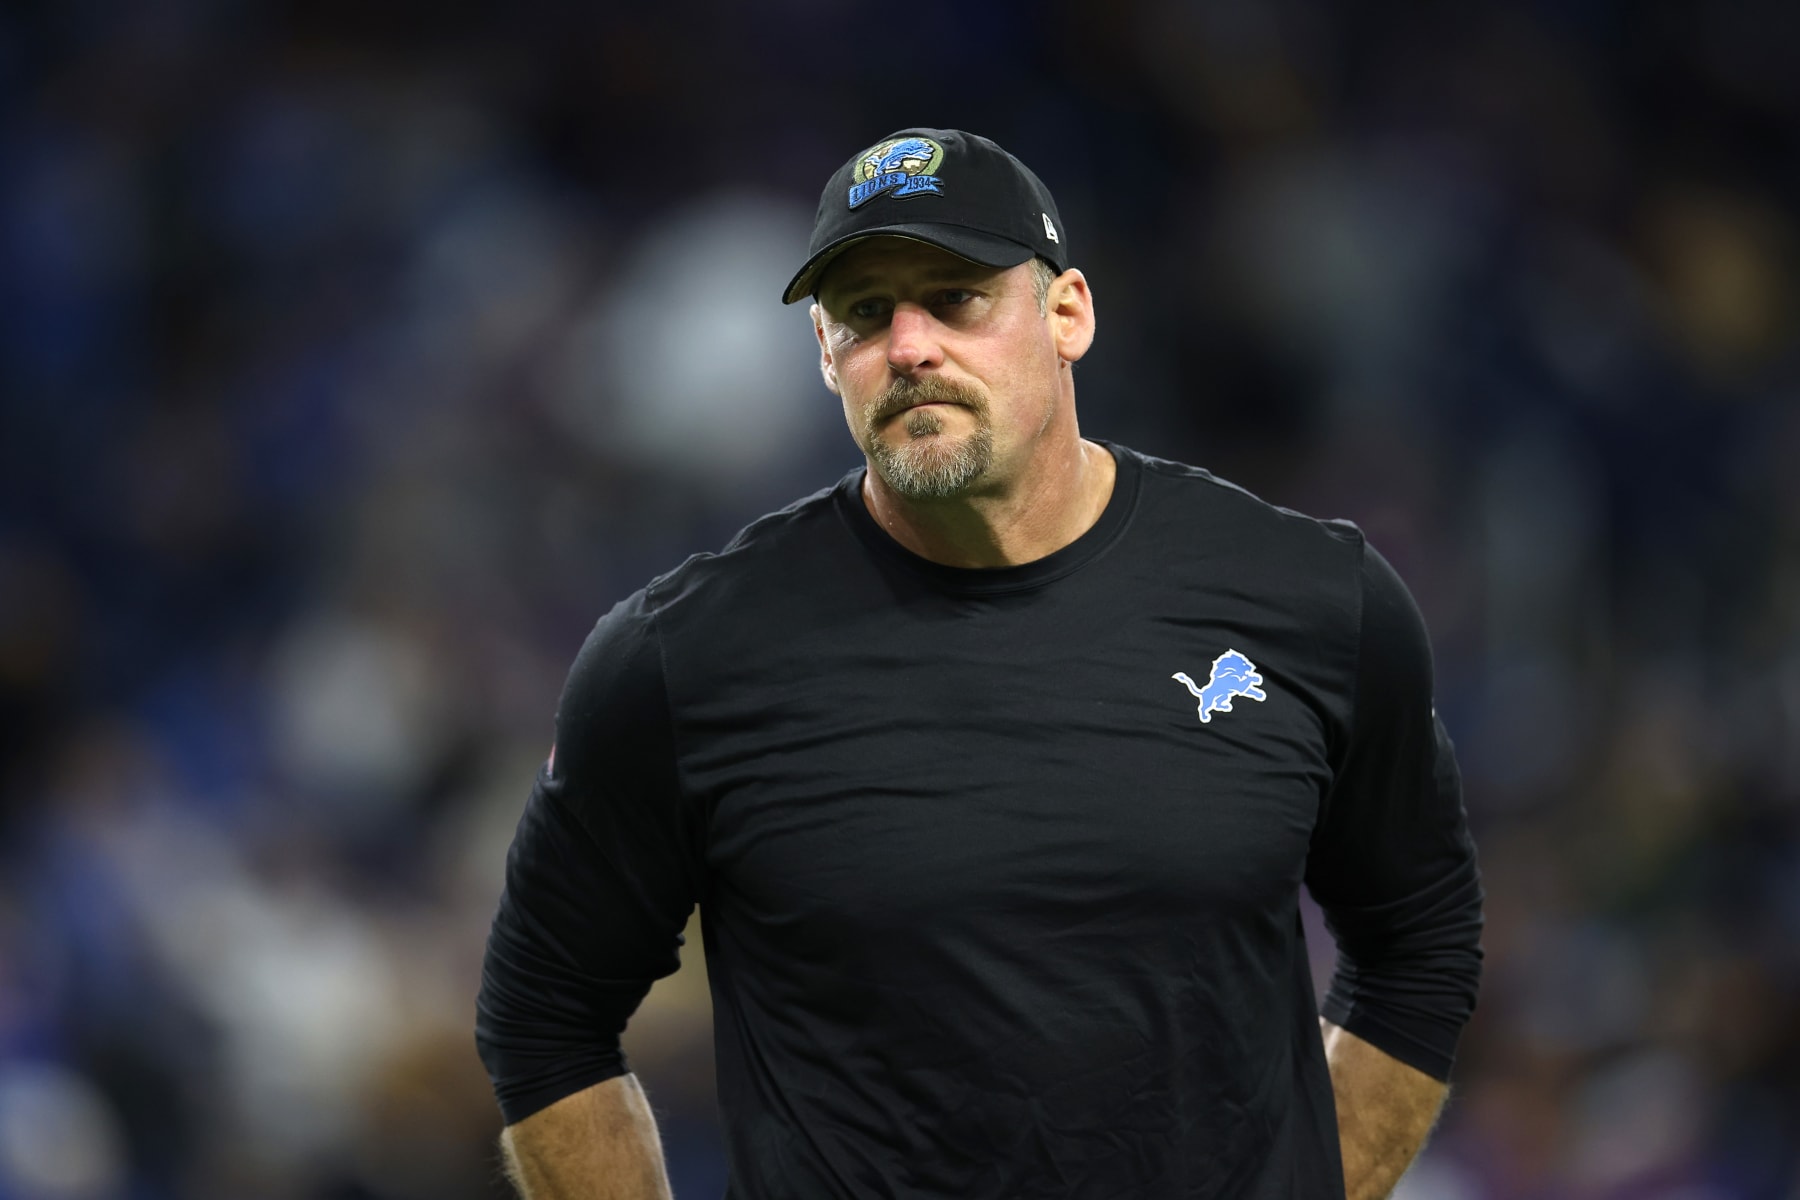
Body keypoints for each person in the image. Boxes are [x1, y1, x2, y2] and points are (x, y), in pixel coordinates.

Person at [475, 127, 1483, 1200]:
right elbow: (545, 1016)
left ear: (1068, 315)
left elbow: (1418, 944)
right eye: (865, 313)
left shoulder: (1308, 600)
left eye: (955, 299)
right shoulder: (682, 658)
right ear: (827, 355)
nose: (909, 345)